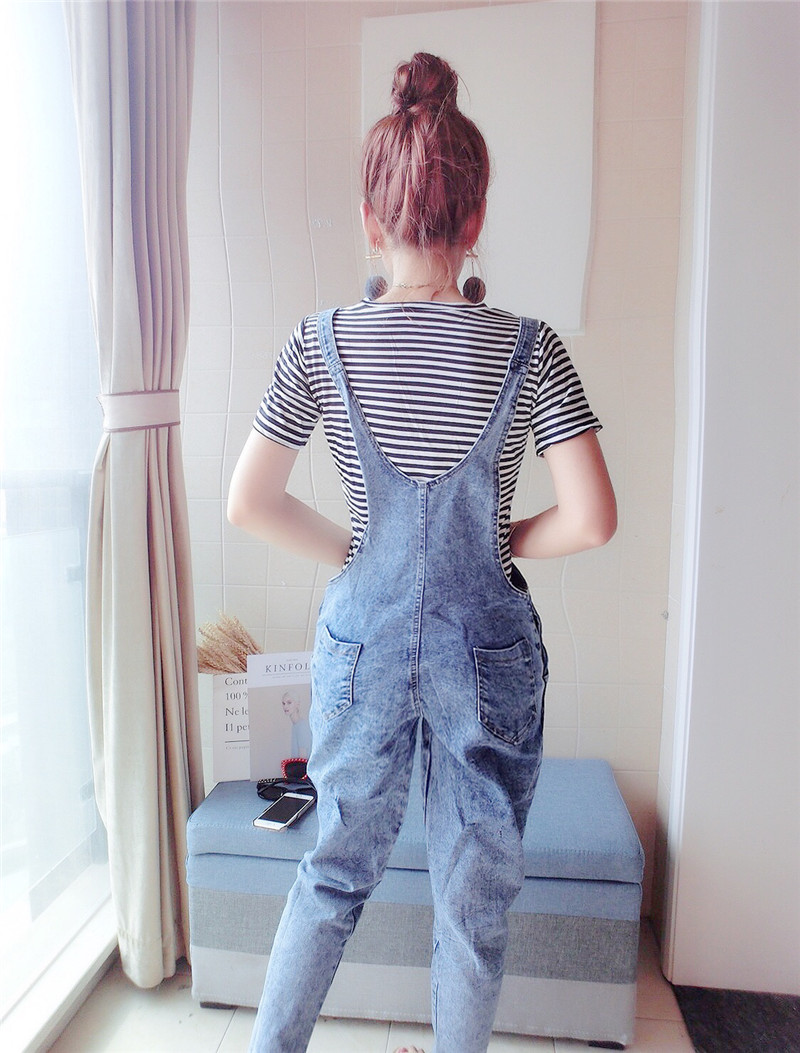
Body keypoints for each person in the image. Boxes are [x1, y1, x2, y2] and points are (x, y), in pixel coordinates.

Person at [228, 52, 616, 1053]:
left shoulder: (318, 342)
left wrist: (355, 552)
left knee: (330, 875)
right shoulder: (531, 346)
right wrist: (499, 537)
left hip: (360, 641)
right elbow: (592, 519)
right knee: (472, 897)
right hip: (486, 648)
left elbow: (248, 502)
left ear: (370, 220)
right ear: (475, 217)